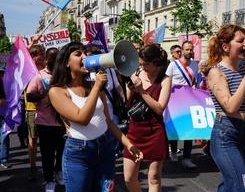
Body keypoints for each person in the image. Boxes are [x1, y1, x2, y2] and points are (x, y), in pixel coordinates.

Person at [48, 42, 142, 192]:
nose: (84, 57)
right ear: (66, 62)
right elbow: (82, 118)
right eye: (78, 54)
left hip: (106, 148)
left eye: (85, 53)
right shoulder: (57, 91)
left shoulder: (93, 86)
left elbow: (108, 122)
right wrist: (97, 87)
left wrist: (128, 144)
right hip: (79, 154)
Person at [207, 24, 245, 191]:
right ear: (225, 47)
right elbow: (230, 107)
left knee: (229, 184)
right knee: (243, 185)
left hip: (244, 132)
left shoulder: (241, 67)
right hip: (226, 135)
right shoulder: (216, 73)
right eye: (240, 41)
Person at [124, 43, 171, 191]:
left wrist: (141, 90)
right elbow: (127, 102)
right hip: (135, 131)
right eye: (141, 64)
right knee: (129, 178)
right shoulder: (138, 74)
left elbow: (159, 108)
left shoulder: (165, 80)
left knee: (154, 178)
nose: (143, 67)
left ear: (156, 63)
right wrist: (131, 89)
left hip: (155, 132)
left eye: (146, 64)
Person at [26, 47, 65, 192]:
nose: (56, 60)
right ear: (47, 59)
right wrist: (44, 95)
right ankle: (49, 180)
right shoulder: (39, 77)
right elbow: (29, 96)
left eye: (58, 58)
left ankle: (58, 172)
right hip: (44, 123)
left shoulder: (62, 75)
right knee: (47, 154)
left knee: (61, 151)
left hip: (61, 122)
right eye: (53, 58)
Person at [165, 40, 198, 169]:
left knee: (189, 129)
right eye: (187, 49)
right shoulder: (173, 65)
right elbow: (166, 82)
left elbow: (194, 80)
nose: (189, 52)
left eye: (191, 49)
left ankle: (187, 157)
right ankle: (173, 151)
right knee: (175, 128)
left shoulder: (195, 65)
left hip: (189, 100)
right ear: (182, 50)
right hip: (175, 100)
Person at [25, 44, 46, 180]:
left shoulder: (47, 69)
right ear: (33, 56)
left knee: (47, 140)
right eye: (40, 53)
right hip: (32, 110)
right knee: (33, 140)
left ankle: (47, 166)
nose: (43, 55)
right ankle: (33, 165)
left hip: (47, 110)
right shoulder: (28, 71)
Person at [0, 68, 9, 170]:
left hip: (3, 114)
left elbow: (3, 100)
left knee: (4, 136)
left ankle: (3, 160)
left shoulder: (5, 84)